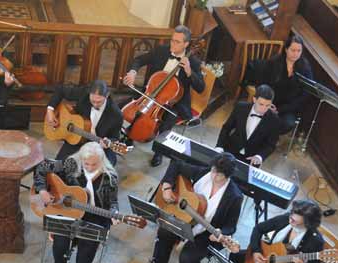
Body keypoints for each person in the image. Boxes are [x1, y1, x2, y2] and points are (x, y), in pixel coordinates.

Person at [135, 153, 243, 263]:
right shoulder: (205, 173)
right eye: (214, 170)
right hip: (183, 219)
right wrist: (167, 187)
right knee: (163, 233)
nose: (214, 176)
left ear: (228, 176)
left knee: (187, 258)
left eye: (219, 174)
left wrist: (221, 232)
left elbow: (231, 226)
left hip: (205, 233)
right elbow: (177, 165)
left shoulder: (234, 196)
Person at [33, 142, 119, 263]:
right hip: (67, 211)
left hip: (95, 215)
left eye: (95, 164)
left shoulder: (110, 177)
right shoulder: (71, 164)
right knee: (60, 244)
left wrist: (115, 213)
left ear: (101, 161)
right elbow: (41, 167)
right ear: (81, 159)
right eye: (86, 164)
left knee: (88, 249)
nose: (90, 167)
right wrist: (42, 190)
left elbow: (113, 202)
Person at [122, 25, 205, 167]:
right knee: (129, 109)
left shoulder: (194, 63)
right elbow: (139, 60)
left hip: (174, 102)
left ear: (186, 44)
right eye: (172, 40)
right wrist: (133, 72)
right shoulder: (161, 50)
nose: (172, 44)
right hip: (150, 92)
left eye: (177, 42)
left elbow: (201, 88)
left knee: (168, 120)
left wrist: (189, 71)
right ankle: (129, 135)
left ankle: (159, 151)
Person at [229, 200, 324, 263]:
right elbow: (259, 228)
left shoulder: (315, 241)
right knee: (235, 257)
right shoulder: (286, 218)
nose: (290, 221)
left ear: (307, 224)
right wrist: (256, 251)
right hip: (267, 256)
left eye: (294, 221)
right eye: (291, 217)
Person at [45, 80, 123, 166]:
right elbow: (60, 90)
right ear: (89, 93)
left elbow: (115, 137)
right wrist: (50, 110)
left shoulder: (116, 114)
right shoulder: (83, 93)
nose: (95, 104)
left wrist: (108, 141)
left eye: (99, 102)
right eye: (93, 101)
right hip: (77, 137)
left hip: (99, 142)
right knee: (59, 166)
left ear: (107, 95)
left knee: (105, 169)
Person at [216, 84, 280, 166]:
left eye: (267, 105)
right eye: (261, 104)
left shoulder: (274, 119)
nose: (264, 109)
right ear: (254, 99)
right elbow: (226, 128)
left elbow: (271, 144)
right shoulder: (240, 107)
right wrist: (219, 146)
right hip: (231, 150)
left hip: (252, 158)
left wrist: (259, 156)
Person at [261, 35, 313, 134]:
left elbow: (306, 94)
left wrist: (281, 110)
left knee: (288, 124)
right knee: (263, 117)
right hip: (270, 101)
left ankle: (270, 137)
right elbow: (264, 83)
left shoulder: (305, 67)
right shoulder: (274, 62)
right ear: (286, 49)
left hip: (289, 107)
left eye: (299, 51)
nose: (296, 54)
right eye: (293, 50)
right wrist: (268, 103)